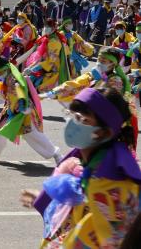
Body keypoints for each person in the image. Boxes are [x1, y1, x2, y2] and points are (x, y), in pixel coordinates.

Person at [22, 88, 140, 248]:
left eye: (80, 119)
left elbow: (104, 239)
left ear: (103, 133)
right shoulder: (88, 165)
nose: (72, 123)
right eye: (72, 115)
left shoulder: (110, 185)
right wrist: (50, 198)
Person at [0, 56, 61, 163]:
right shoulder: (8, 76)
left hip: (23, 111)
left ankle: (56, 154)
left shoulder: (13, 78)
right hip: (11, 110)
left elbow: (19, 89)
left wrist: (22, 104)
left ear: (5, 68)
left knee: (33, 135)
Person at [24, 19, 70, 94]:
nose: (45, 28)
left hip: (53, 72)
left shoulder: (54, 42)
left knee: (37, 89)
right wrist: (30, 67)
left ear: (53, 29)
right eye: (45, 26)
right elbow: (41, 57)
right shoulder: (47, 39)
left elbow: (50, 61)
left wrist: (33, 69)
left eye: (48, 27)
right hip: (45, 67)